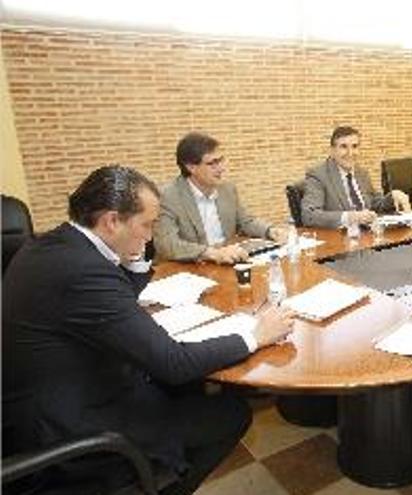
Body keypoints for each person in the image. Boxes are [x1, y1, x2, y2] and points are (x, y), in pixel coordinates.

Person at [2, 165, 296, 494]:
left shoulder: (53, 245)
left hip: (54, 393)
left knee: (191, 386)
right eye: (146, 225)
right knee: (229, 412)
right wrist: (255, 334)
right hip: (72, 428)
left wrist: (134, 255)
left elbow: (119, 297)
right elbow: (173, 364)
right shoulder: (83, 271)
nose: (151, 235)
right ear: (112, 221)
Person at [154, 132, 287, 264]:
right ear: (191, 167)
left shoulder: (227, 189)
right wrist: (212, 253)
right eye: (213, 163)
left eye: (221, 160)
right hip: (189, 267)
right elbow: (167, 245)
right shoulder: (168, 196)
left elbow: (245, 221)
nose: (221, 168)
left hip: (227, 262)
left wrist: (270, 231)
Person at [301, 126, 409, 228]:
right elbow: (309, 215)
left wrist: (392, 196)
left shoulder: (361, 173)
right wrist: (350, 217)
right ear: (332, 151)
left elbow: (374, 202)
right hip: (340, 240)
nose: (350, 153)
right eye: (343, 147)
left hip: (368, 235)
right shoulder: (318, 175)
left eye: (355, 146)